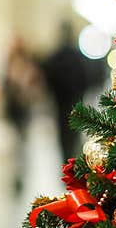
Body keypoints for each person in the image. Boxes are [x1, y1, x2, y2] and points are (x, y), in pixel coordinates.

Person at [42, 22, 102, 161]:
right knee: (74, 134)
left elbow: (48, 77)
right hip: (75, 100)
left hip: (60, 102)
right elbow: (86, 77)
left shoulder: (56, 56)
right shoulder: (77, 56)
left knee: (63, 135)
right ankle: (72, 162)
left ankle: (66, 161)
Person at [3, 37, 43, 195]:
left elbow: (36, 88)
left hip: (24, 110)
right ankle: (18, 172)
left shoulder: (28, 66)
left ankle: (21, 171)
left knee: (22, 143)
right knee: (18, 143)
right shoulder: (11, 66)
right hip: (16, 110)